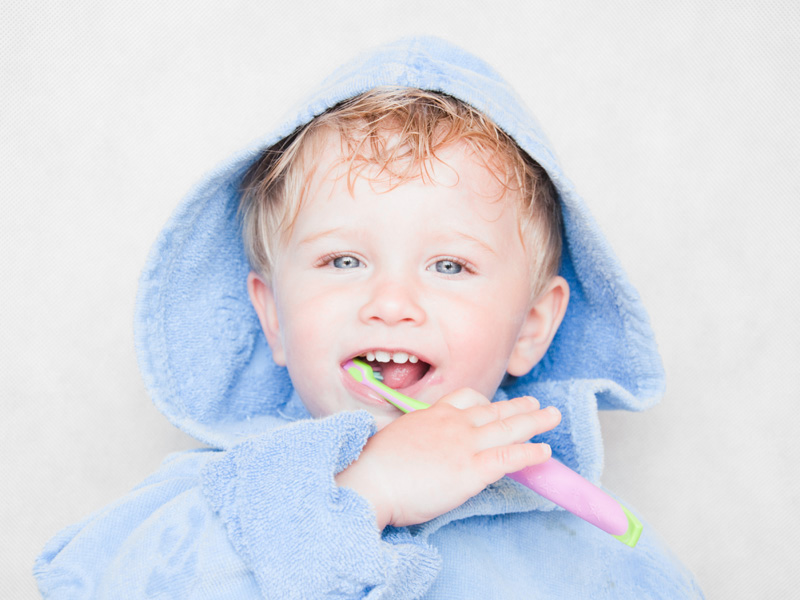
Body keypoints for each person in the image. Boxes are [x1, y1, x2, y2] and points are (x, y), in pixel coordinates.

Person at [34, 37, 703, 598]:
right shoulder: (211, 500)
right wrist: (364, 493)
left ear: (531, 325)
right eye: (343, 261)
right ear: (272, 318)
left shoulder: (594, 555)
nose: (389, 303)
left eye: (449, 267)